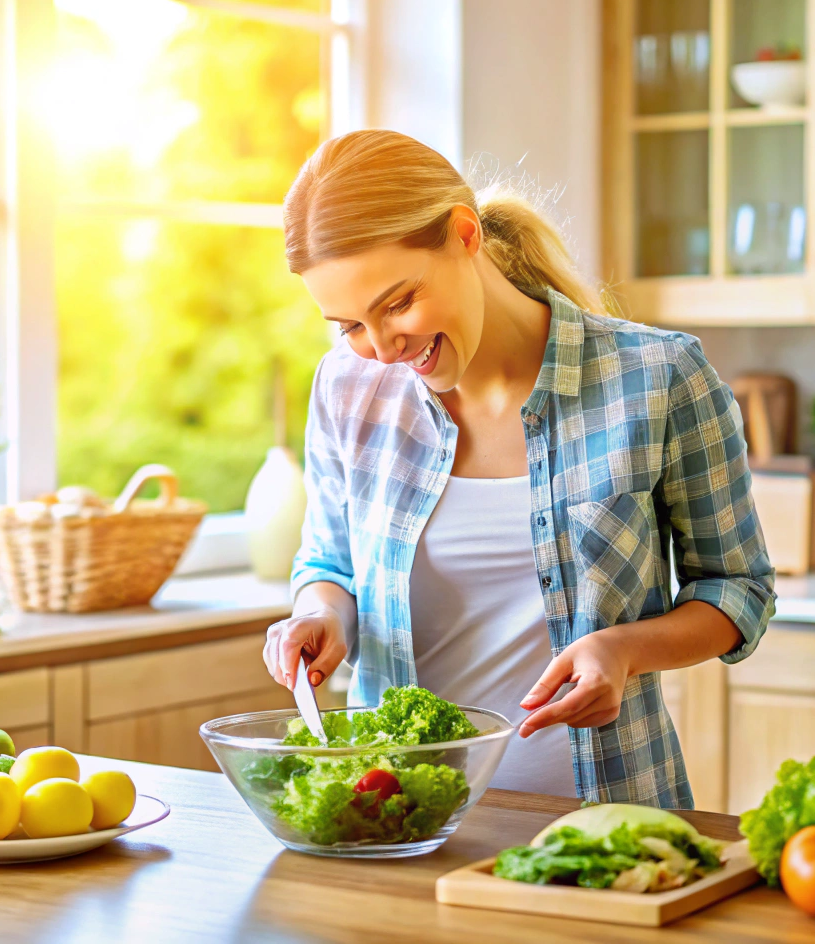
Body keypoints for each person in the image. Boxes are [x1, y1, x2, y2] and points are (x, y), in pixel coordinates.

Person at [261, 129, 775, 804]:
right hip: (401, 825)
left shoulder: (657, 378)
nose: (382, 347)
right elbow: (330, 562)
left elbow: (738, 590)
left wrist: (622, 651)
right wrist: (319, 612)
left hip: (607, 823)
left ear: (464, 235)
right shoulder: (347, 389)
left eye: (398, 304)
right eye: (350, 325)